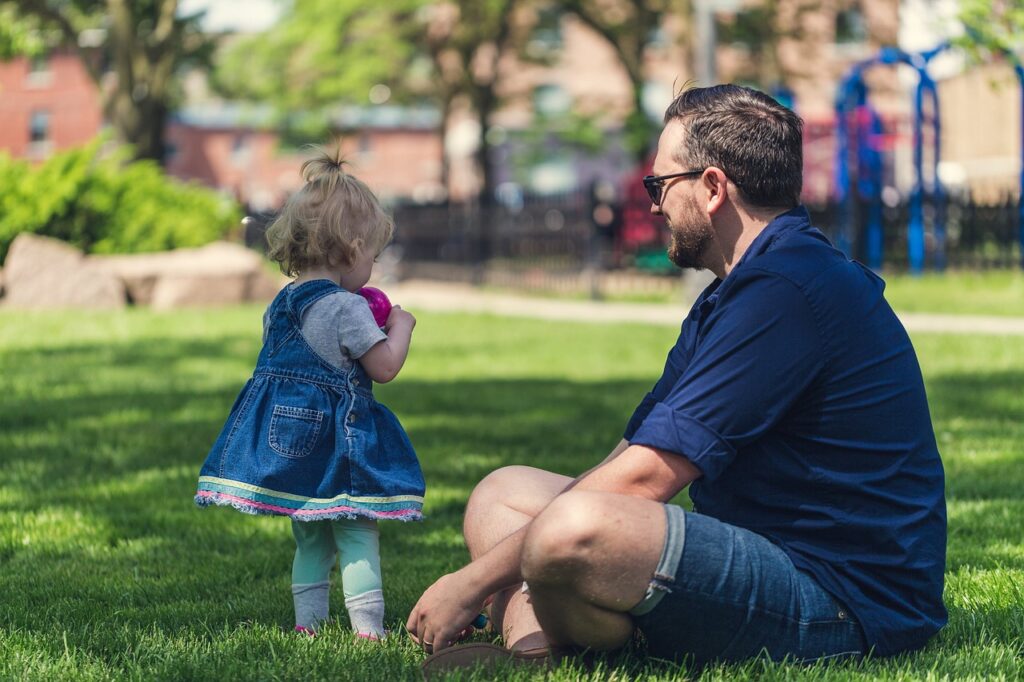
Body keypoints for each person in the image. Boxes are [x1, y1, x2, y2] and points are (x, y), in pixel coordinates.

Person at [407, 85, 947, 672]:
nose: (654, 205)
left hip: (842, 602)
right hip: (765, 553)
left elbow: (644, 482)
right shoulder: (737, 292)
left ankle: (565, 638)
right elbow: (629, 457)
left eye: (660, 186)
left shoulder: (787, 292)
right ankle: (537, 654)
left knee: (572, 529)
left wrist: (471, 583)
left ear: (713, 187)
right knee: (502, 497)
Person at [194, 148, 423, 640]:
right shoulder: (347, 308)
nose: (373, 268)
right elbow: (383, 368)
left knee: (311, 536)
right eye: (373, 256)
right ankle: (367, 631)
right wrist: (401, 326)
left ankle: (309, 627)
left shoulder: (282, 302)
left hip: (289, 443)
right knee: (358, 529)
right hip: (336, 446)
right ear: (351, 249)